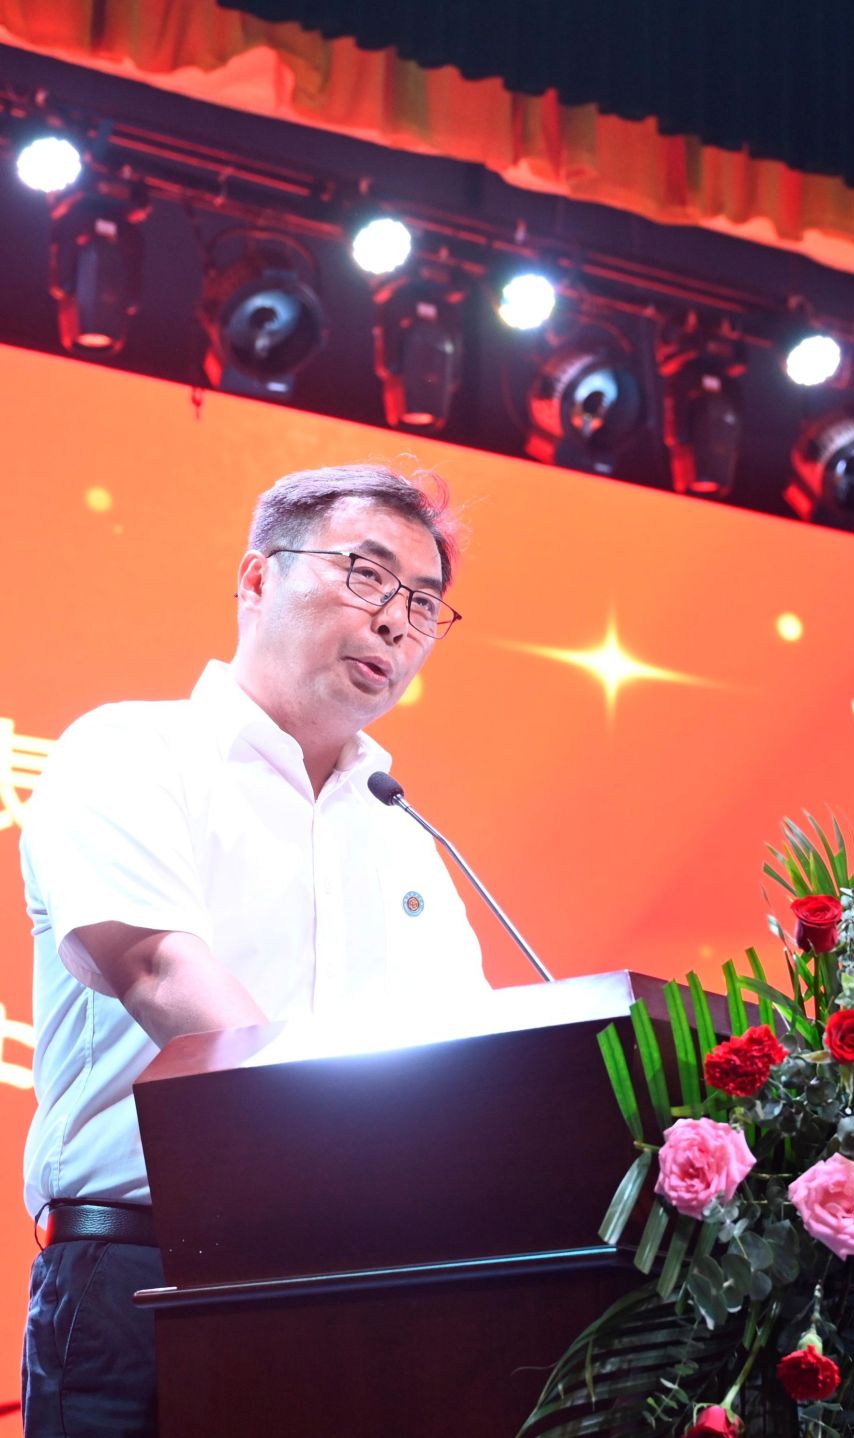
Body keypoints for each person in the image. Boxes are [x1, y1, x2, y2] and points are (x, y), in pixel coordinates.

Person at [19, 464, 493, 1436]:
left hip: (362, 1288)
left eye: (422, 603)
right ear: (255, 576)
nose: (395, 622)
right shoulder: (130, 751)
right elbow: (159, 969)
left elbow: (470, 1055)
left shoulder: (404, 836)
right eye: (367, 574)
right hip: (146, 1272)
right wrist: (345, 1151)